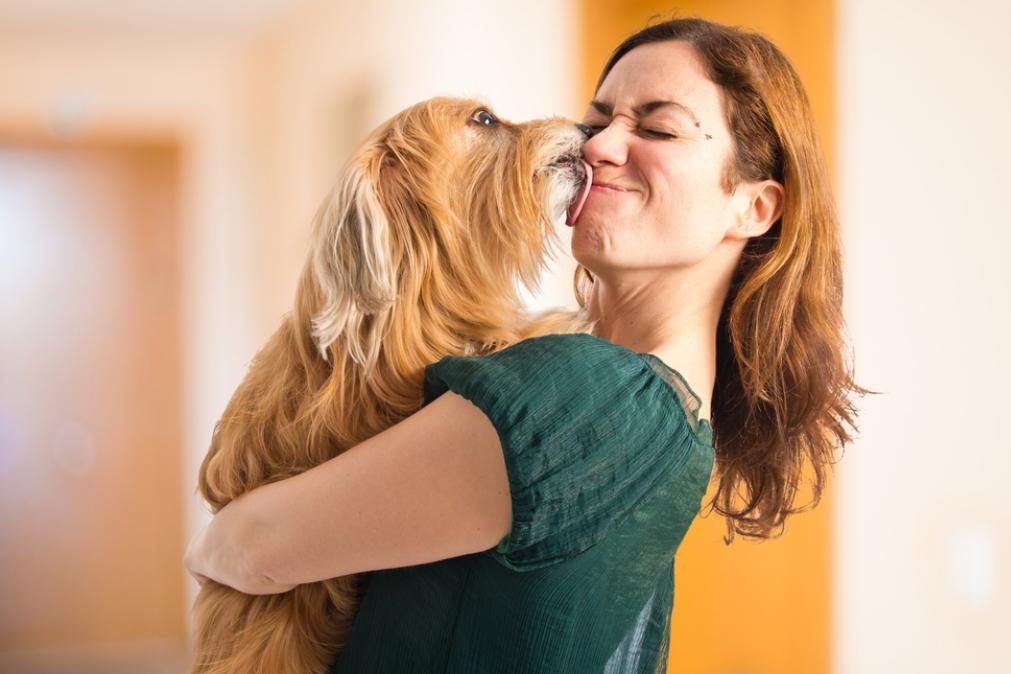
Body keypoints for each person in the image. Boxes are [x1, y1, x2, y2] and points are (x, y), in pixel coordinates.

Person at [184, 16, 862, 673]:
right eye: (596, 122)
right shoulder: (660, 412)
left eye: (657, 127)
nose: (594, 146)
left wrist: (213, 541)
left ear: (755, 206)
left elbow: (249, 548)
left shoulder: (590, 394)